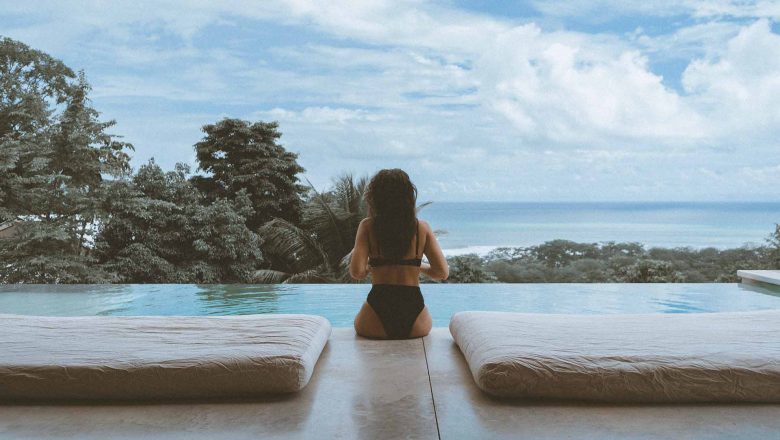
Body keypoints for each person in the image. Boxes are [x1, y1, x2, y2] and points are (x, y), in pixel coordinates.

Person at [350, 169, 449, 339]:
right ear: (408, 197)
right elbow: (442, 273)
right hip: (415, 317)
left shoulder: (367, 226)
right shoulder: (422, 228)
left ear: (375, 198)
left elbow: (357, 273)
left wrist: (372, 266)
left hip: (375, 315)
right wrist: (415, 265)